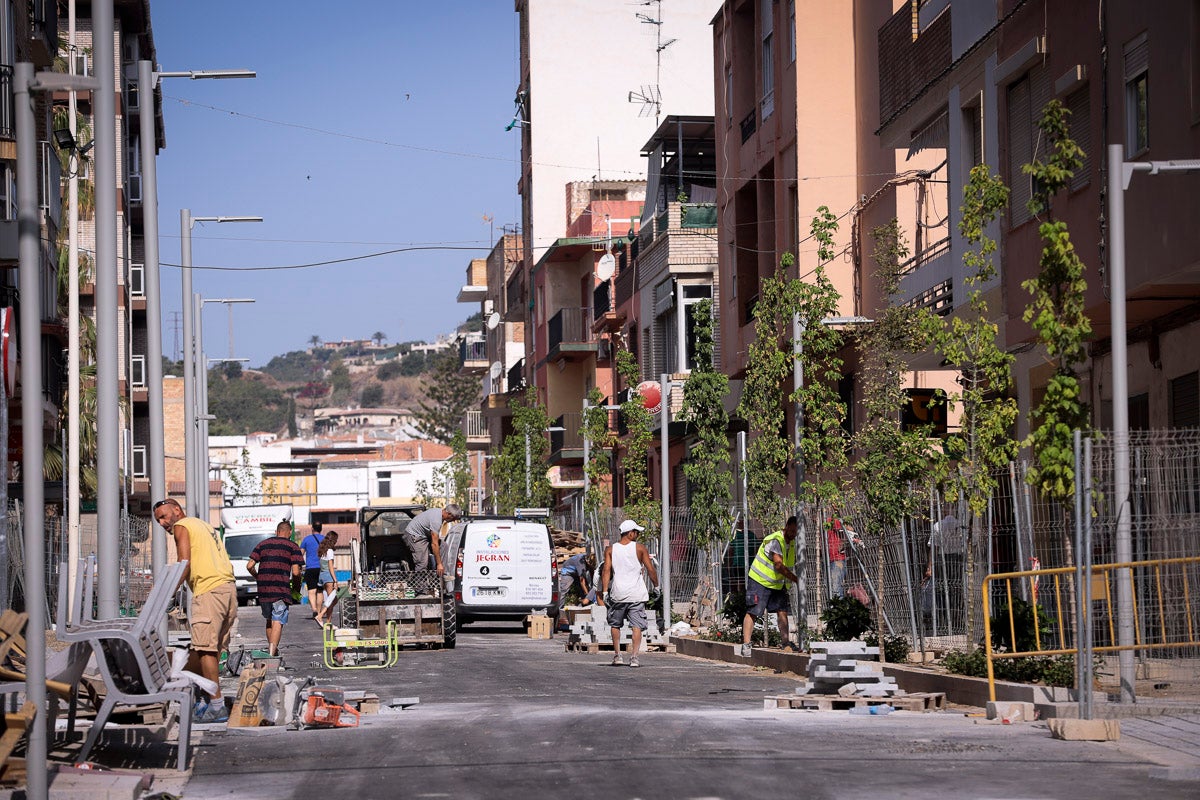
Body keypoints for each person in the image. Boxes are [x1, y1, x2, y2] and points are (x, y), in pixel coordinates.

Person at [152, 498, 237, 724]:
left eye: (163, 516)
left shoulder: (182, 526)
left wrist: (167, 593)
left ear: (177, 510)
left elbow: (184, 562)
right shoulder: (203, 525)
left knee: (204, 649)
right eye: (158, 520)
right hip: (227, 589)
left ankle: (216, 707)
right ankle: (210, 700)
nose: (162, 523)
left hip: (208, 591)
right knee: (213, 649)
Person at [598, 520, 658, 668]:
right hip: (636, 594)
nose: (637, 535)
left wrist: (605, 591)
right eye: (636, 532)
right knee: (636, 625)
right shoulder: (640, 549)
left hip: (618, 593)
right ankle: (634, 657)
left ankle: (618, 655)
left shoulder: (610, 550)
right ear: (630, 533)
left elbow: (606, 570)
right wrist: (656, 586)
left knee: (615, 624)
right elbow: (650, 569)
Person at [740, 516, 800, 658]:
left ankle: (786, 643)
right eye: (791, 531)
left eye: (795, 532)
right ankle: (746, 644)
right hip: (759, 580)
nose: (793, 534)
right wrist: (795, 579)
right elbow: (778, 565)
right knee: (754, 611)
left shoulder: (791, 543)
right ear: (786, 526)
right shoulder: (776, 540)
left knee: (782, 611)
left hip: (776, 584)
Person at [246, 520, 303, 656]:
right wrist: (296, 588)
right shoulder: (292, 546)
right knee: (277, 619)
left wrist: (258, 577)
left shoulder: (263, 544)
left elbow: (249, 565)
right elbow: (296, 572)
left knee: (269, 620)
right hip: (281, 589)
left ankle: (273, 651)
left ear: (277, 532)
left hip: (264, 589)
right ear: (290, 533)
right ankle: (271, 655)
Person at [403, 504, 462, 574]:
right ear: (449, 514)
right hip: (414, 536)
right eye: (453, 518)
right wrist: (439, 564)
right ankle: (420, 584)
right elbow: (434, 544)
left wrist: (440, 564)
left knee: (443, 546)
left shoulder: (439, 513)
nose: (453, 521)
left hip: (424, 535)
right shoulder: (436, 520)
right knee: (422, 563)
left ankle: (442, 575)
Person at [826, 517, 859, 599]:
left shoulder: (830, 520)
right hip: (828, 560)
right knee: (831, 589)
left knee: (835, 590)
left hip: (837, 560)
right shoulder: (821, 524)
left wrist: (843, 543)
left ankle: (838, 610)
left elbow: (850, 529)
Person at [314, 531, 340, 625]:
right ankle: (322, 617)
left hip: (322, 575)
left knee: (332, 599)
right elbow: (330, 567)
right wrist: (335, 580)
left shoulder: (323, 551)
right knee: (332, 599)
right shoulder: (330, 551)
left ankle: (324, 618)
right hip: (328, 576)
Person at [300, 522, 325, 617]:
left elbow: (300, 554)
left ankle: (314, 609)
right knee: (320, 590)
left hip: (310, 568)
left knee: (311, 590)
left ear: (312, 528)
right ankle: (318, 612)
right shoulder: (324, 539)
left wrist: (300, 565)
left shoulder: (306, 539)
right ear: (321, 528)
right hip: (321, 568)